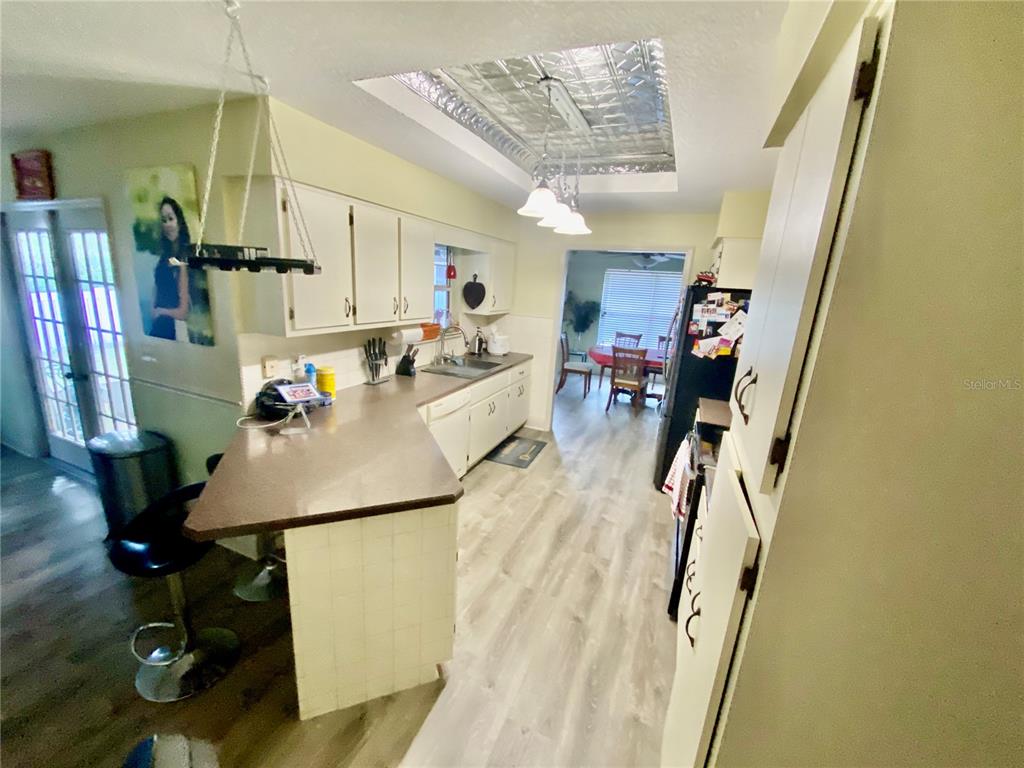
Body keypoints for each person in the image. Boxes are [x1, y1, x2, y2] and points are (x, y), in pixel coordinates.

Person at [149, 196, 190, 340]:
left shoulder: (184, 258)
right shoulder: (163, 259)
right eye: (163, 220)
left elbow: (183, 311)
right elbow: (156, 291)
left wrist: (161, 311)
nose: (167, 225)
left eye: (171, 219)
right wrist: (155, 311)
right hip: (159, 328)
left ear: (179, 221)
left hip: (176, 331)